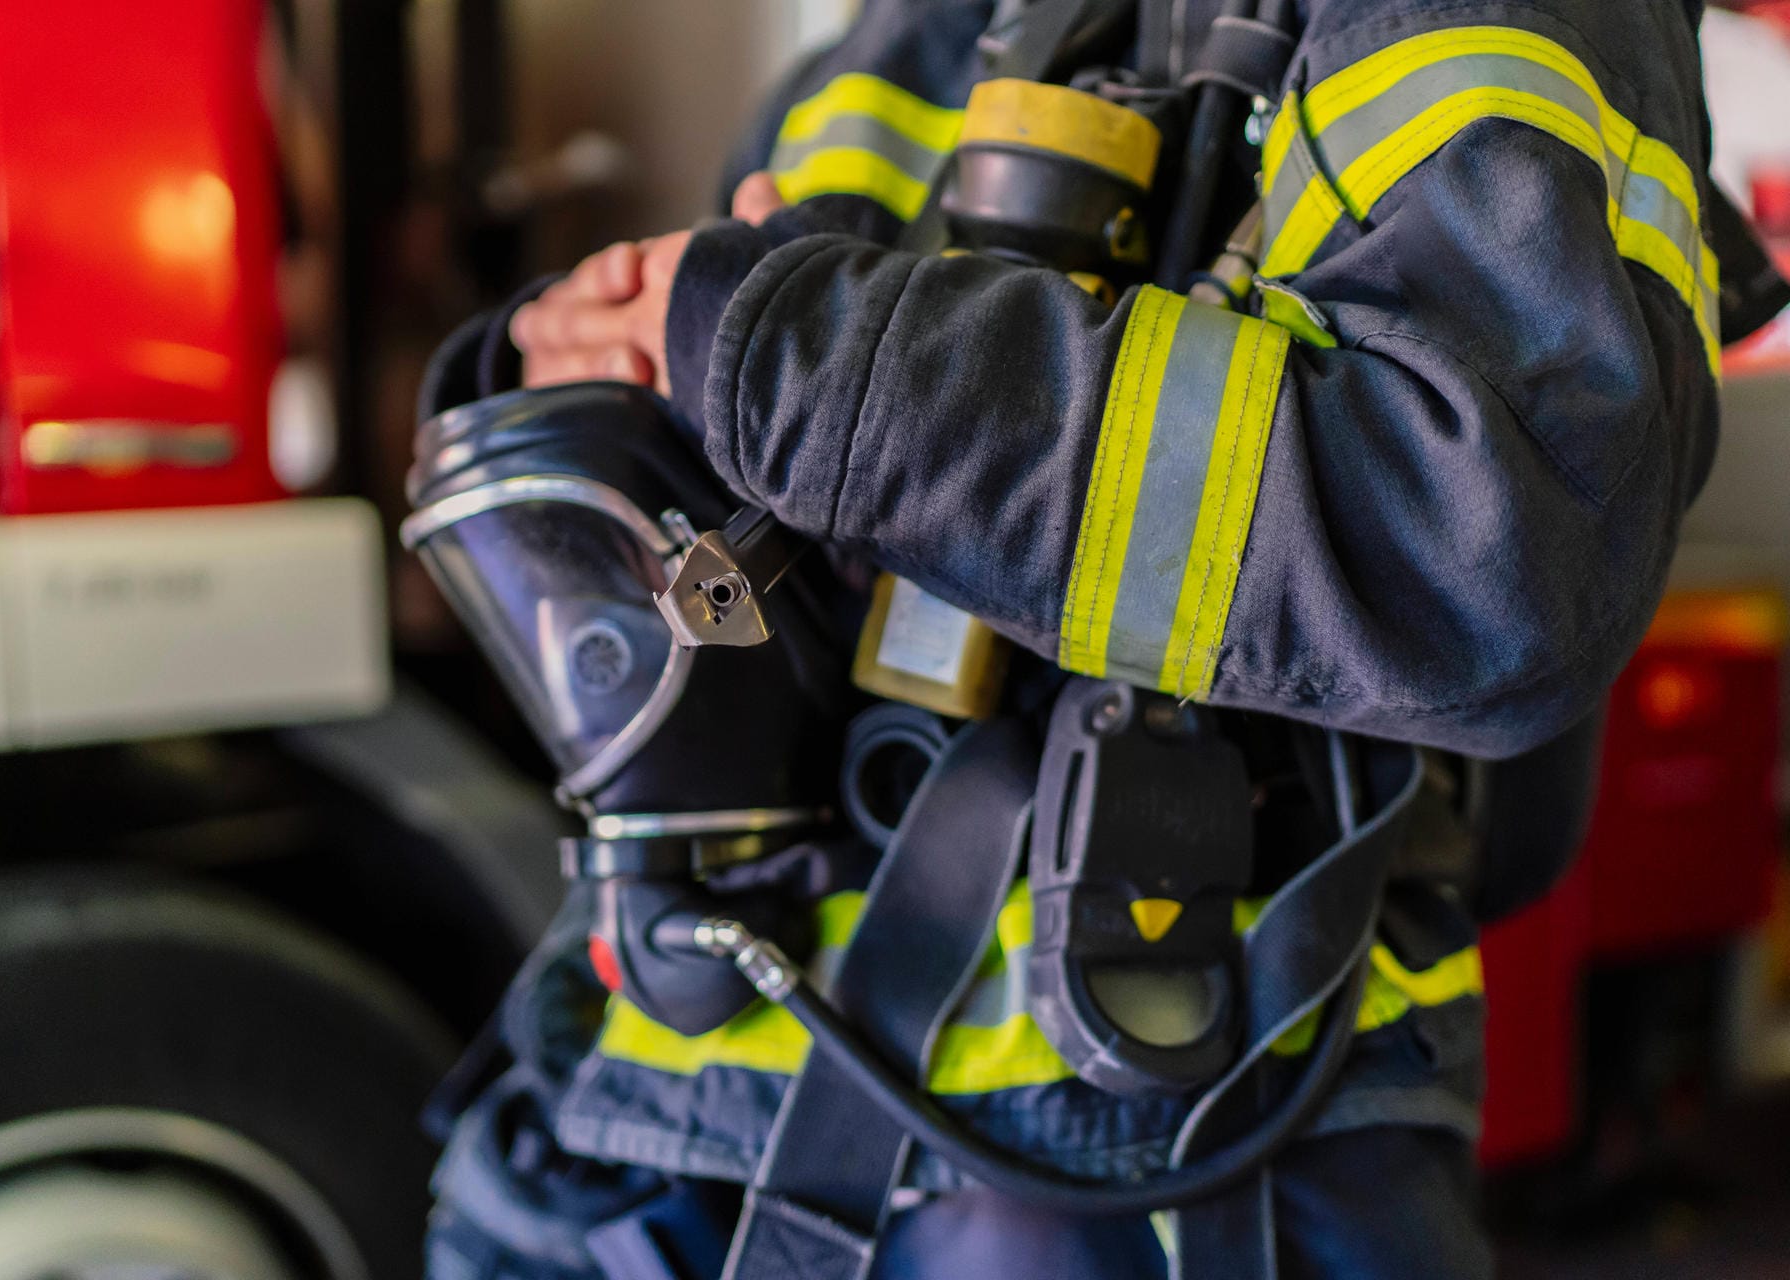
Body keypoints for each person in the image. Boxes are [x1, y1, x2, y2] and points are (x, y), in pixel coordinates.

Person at [424, 0, 1732, 1276]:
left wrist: (793, 362)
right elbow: (770, 519)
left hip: (1161, 1161)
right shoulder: (907, 42)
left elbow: (1487, 554)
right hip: (666, 1126)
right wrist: (582, 382)